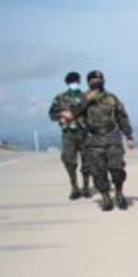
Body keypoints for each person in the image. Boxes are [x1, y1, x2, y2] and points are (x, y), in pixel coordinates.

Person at [63, 70, 134, 211]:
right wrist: (86, 101)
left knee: (117, 168)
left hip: (112, 137)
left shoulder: (112, 98)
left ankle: (119, 193)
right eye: (93, 81)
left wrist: (129, 136)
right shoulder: (83, 99)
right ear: (89, 82)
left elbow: (122, 117)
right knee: (99, 172)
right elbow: (71, 115)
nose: (97, 83)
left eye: (99, 80)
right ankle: (106, 197)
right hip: (94, 139)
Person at [48, 71, 93, 200]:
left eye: (76, 81)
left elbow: (92, 113)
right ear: (68, 83)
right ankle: (74, 187)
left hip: (84, 132)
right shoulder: (60, 98)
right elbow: (51, 114)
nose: (74, 83)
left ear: (79, 82)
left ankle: (86, 187)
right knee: (69, 161)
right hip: (68, 133)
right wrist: (62, 114)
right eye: (72, 81)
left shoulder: (86, 97)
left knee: (87, 161)